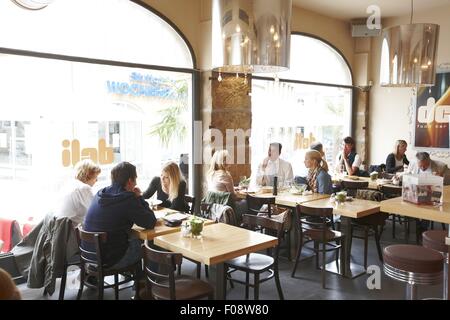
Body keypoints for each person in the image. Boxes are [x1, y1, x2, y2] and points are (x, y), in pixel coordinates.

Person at [83, 162, 156, 269]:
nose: (136, 183)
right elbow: (150, 222)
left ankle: (139, 279)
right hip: (109, 260)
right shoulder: (127, 198)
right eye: (135, 179)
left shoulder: (100, 193)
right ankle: (154, 283)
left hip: (89, 256)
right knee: (151, 245)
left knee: (128, 239)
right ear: (130, 181)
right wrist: (139, 197)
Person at [54, 159, 101, 227]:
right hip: (73, 231)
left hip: (62, 229)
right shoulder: (84, 188)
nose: (96, 180)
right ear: (88, 175)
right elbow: (94, 213)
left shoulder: (69, 184)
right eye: (95, 177)